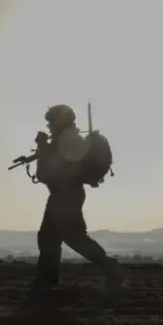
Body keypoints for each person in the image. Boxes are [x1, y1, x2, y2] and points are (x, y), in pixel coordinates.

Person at [31, 104, 125, 293]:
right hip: (66, 195)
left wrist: (43, 148)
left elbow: (51, 171)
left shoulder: (68, 141)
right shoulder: (68, 140)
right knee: (65, 238)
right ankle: (48, 280)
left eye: (51, 122)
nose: (49, 127)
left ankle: (110, 269)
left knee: (62, 238)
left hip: (65, 196)